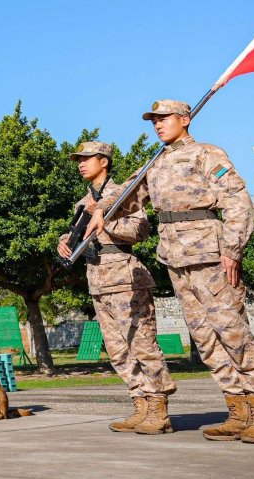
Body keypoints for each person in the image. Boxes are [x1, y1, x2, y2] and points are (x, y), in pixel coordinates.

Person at [134, 99, 254, 444]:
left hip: (210, 254)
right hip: (175, 258)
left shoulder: (205, 154)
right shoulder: (155, 162)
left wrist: (232, 248)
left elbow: (236, 201)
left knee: (232, 332)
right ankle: (237, 410)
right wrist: (96, 207)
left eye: (164, 118)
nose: (157, 124)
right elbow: (126, 199)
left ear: (185, 119)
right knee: (206, 339)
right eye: (153, 120)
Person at [58, 142, 175, 434]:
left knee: (142, 345)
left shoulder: (123, 192)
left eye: (87, 159)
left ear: (104, 161)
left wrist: (106, 224)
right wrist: (66, 241)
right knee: (118, 351)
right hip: (97, 280)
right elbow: (79, 234)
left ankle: (158, 407)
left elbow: (140, 230)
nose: (81, 164)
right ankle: (141, 404)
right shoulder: (83, 203)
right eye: (78, 160)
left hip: (125, 278)